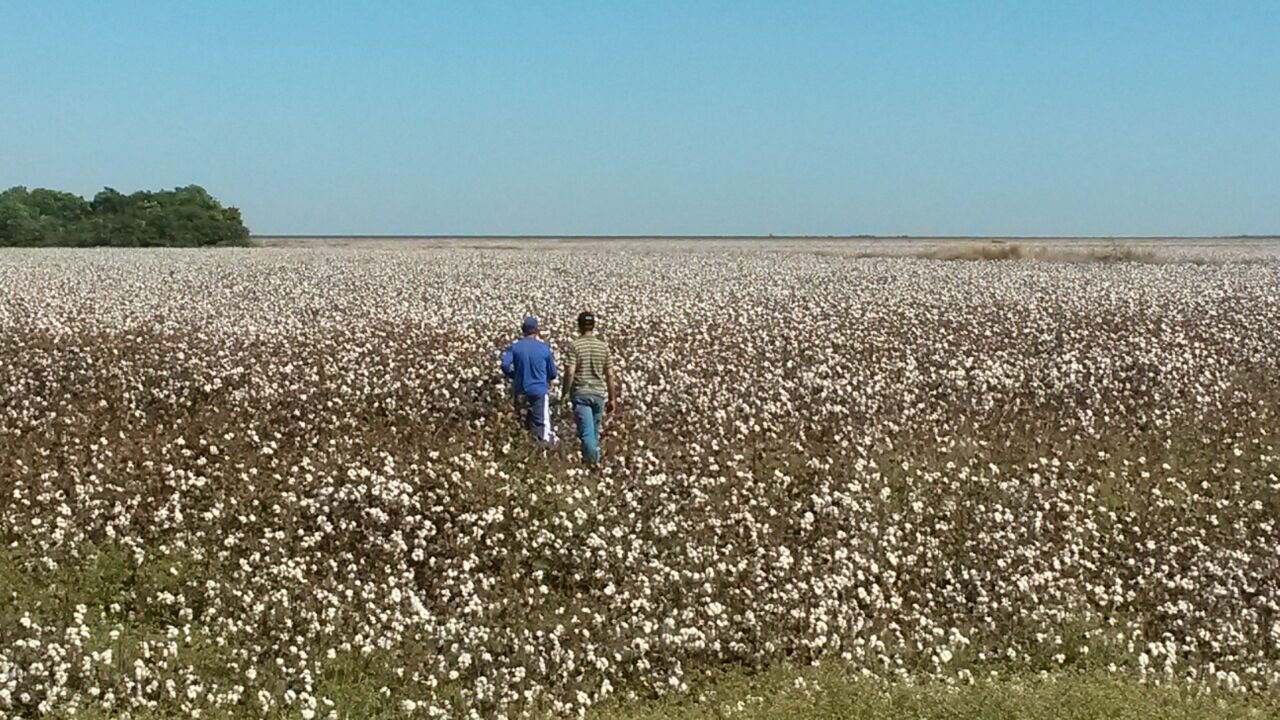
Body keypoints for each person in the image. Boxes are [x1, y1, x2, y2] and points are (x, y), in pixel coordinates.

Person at [560, 311, 618, 465]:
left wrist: (565, 393)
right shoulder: (603, 347)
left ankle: (594, 465)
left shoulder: (575, 346)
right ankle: (590, 465)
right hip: (598, 396)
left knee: (586, 435)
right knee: (593, 435)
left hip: (581, 395)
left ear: (579, 326)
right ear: (593, 326)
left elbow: (570, 372)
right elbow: (610, 375)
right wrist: (612, 398)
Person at [501, 317, 558, 446]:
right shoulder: (544, 348)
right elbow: (553, 373)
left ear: (523, 331)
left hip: (521, 390)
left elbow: (505, 365)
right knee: (541, 424)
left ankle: (522, 447)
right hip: (539, 391)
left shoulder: (515, 347)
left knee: (521, 421)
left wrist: (513, 375)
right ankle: (542, 450)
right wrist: (546, 378)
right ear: (537, 331)